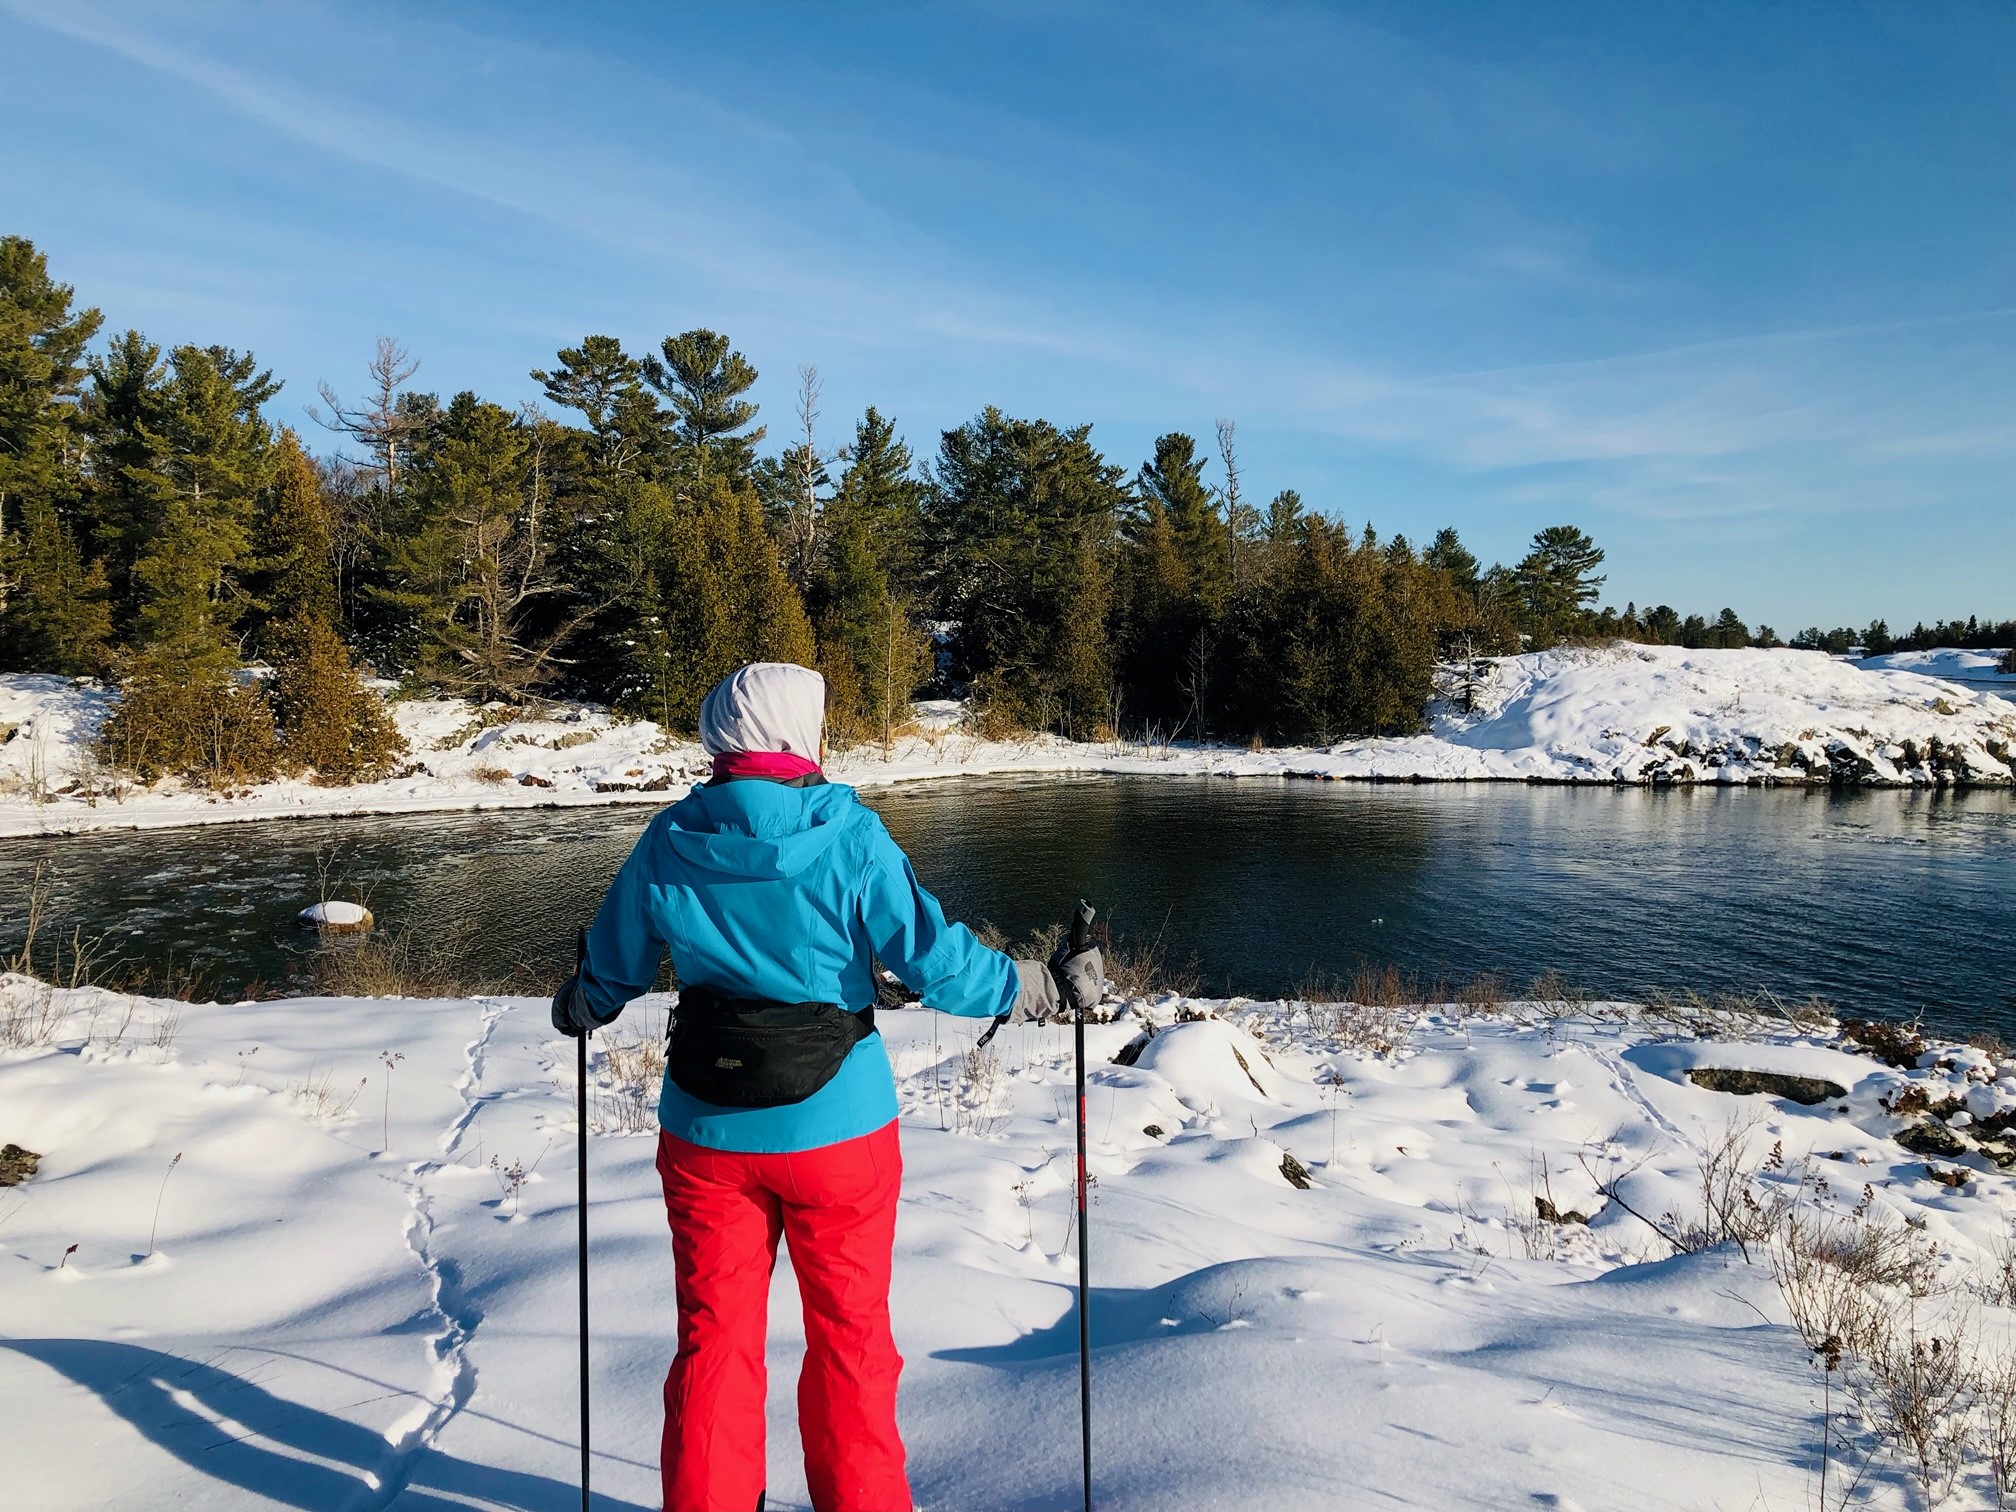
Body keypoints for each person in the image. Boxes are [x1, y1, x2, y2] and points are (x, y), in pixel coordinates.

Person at [551, 661, 1104, 1512]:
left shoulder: (669, 837)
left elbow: (611, 968)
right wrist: (1040, 984)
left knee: (713, 1346)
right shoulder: (847, 831)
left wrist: (581, 1001)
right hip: (837, 1131)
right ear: (798, 734)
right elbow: (936, 961)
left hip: (704, 1129)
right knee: (850, 1345)